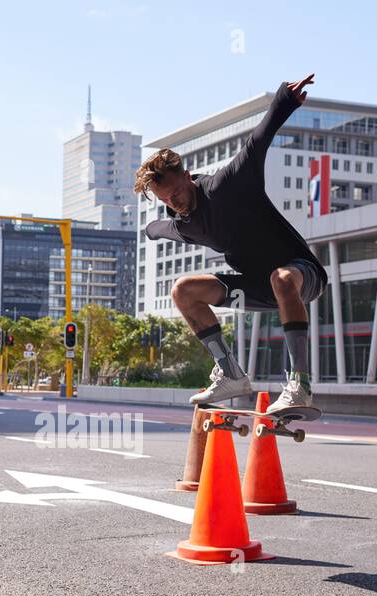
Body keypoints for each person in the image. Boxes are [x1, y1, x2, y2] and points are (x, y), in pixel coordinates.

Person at [133, 74, 327, 414]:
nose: (175, 202)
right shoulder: (183, 224)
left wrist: (284, 99)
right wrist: (149, 229)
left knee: (281, 278)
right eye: (166, 200)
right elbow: (160, 228)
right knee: (182, 290)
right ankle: (231, 374)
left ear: (187, 175)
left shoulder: (228, 185)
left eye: (176, 192)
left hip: (303, 277)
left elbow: (256, 143)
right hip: (255, 289)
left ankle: (300, 385)